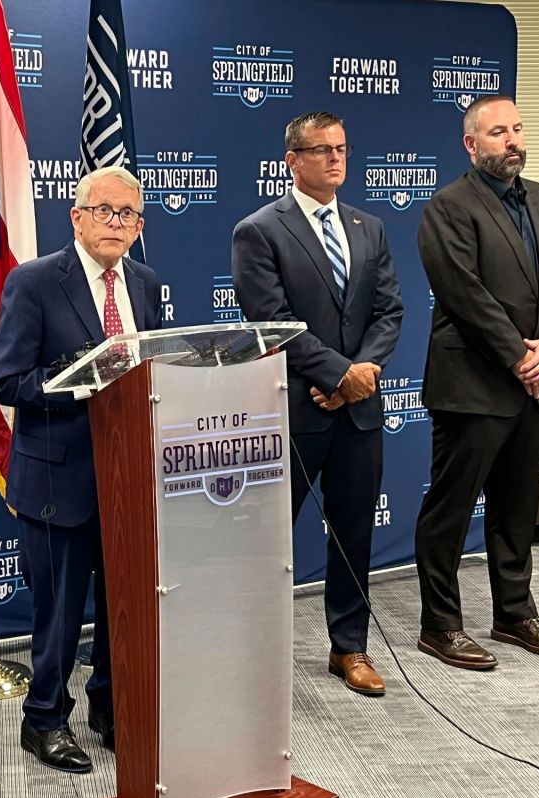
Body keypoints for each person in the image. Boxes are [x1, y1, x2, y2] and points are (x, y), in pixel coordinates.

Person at [0, 165, 164, 772]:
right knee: (59, 617)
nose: (117, 224)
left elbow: (154, 369)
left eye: (130, 215)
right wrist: (83, 381)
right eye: (105, 211)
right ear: (77, 217)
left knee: (124, 609)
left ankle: (109, 709)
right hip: (58, 480)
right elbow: (6, 382)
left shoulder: (144, 283)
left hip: (130, 480)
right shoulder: (34, 282)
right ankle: (43, 720)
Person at [232, 112, 404, 696]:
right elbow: (271, 321)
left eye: (342, 148)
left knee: (353, 532)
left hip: (357, 412)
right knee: (271, 540)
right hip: (294, 411)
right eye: (321, 149)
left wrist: (360, 375)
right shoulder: (259, 229)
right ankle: (255, 653)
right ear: (292, 160)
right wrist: (336, 374)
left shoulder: (369, 226)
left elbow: (389, 312)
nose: (335, 158)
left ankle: (349, 648)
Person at [413, 94, 539, 670]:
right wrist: (519, 356)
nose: (512, 140)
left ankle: (514, 612)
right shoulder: (448, 207)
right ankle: (439, 625)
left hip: (534, 381)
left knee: (516, 508)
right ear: (471, 144)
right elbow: (465, 296)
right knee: (450, 509)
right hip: (473, 385)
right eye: (497, 132)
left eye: (516, 129)